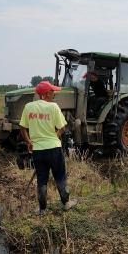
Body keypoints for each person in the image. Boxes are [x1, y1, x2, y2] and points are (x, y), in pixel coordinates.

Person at [19, 81, 77, 215]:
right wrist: (55, 137)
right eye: (52, 92)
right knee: (60, 176)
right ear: (45, 94)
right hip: (54, 149)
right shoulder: (53, 107)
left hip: (38, 150)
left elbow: (22, 128)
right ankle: (66, 203)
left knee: (42, 179)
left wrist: (29, 142)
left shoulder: (28, 107)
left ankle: (42, 209)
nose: (54, 94)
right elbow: (62, 128)